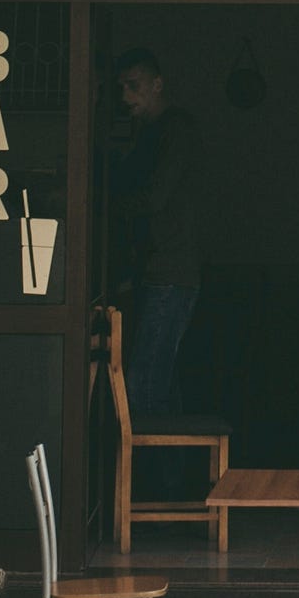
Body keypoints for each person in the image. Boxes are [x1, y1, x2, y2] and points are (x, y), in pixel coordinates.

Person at [113, 47, 206, 416]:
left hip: (169, 272)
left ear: (157, 85)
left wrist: (92, 203)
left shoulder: (175, 130)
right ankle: (170, 475)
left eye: (133, 86)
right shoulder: (151, 134)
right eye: (120, 88)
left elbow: (153, 198)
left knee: (145, 383)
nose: (124, 97)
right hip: (156, 271)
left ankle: (150, 474)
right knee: (159, 381)